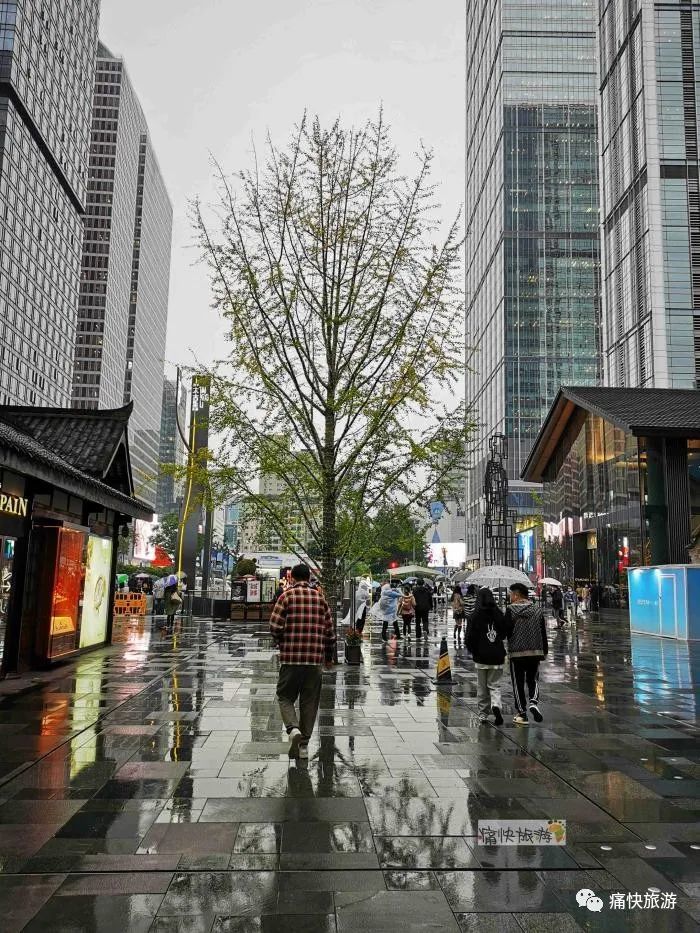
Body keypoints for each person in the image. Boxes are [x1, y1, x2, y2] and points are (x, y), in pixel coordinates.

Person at [269, 563, 335, 760]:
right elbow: (330, 632)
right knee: (309, 702)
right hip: (314, 660)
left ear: (292, 578)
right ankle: (304, 745)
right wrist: (329, 657)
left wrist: (281, 641)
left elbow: (274, 625)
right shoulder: (320, 599)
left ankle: (293, 729)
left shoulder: (286, 596)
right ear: (308, 577)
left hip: (291, 658)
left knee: (284, 696)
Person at [466, 587, 510, 724]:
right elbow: (503, 634)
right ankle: (496, 704)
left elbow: (469, 638)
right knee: (494, 685)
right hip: (497, 655)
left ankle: (483, 713)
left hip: (481, 656)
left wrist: (473, 650)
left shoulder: (475, 616)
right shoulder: (498, 614)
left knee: (482, 686)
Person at [506, 582, 548, 725]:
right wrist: (544, 651)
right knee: (533, 679)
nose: (510, 597)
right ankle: (533, 702)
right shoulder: (537, 609)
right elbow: (543, 631)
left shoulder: (510, 610)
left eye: (510, 594)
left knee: (518, 683)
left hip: (516, 652)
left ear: (516, 595)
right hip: (535, 651)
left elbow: (507, 630)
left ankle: (522, 712)